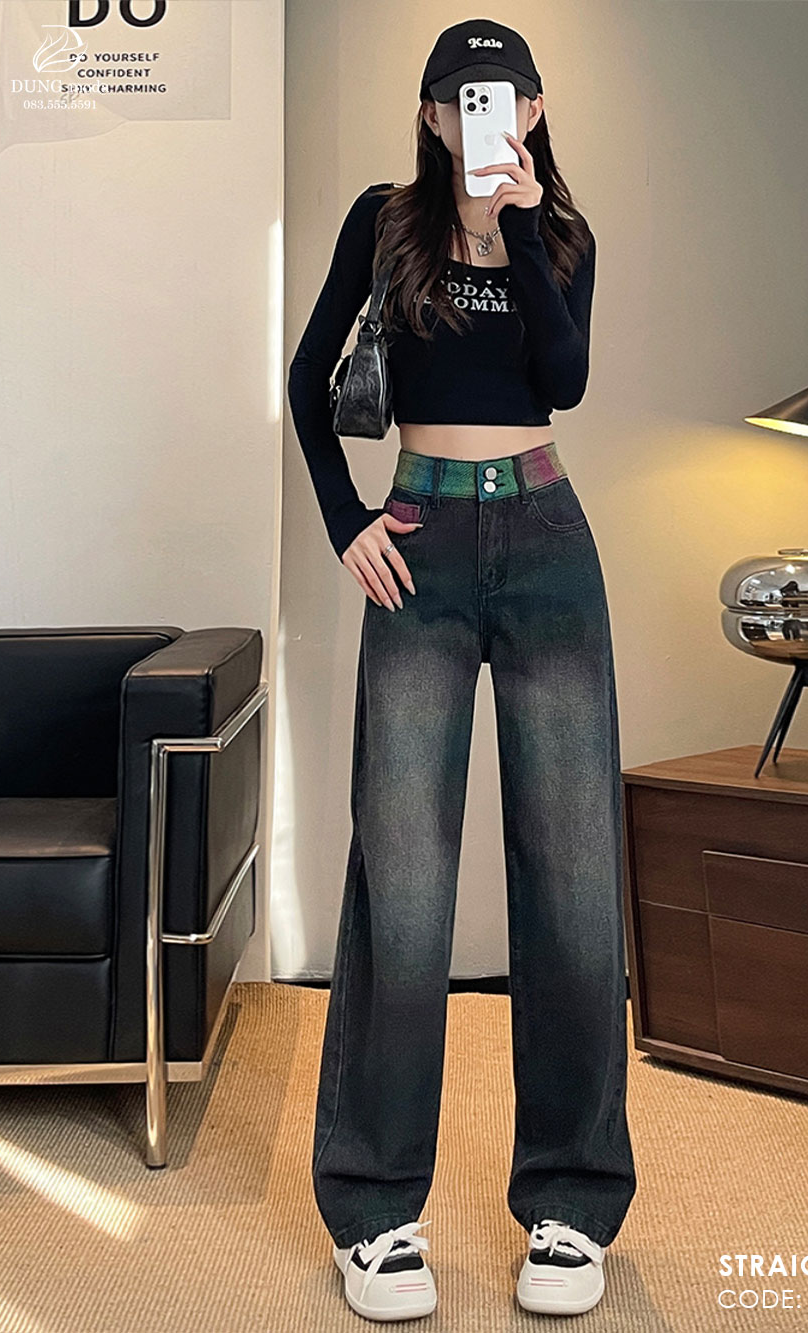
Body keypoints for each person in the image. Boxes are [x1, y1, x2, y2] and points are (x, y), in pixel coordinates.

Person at [287, 17, 637, 1323]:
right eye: (459, 97)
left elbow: (565, 380)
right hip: (421, 539)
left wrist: (522, 229)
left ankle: (571, 1199)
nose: (481, 114)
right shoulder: (383, 223)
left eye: (504, 96)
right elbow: (307, 379)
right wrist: (347, 522)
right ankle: (375, 1210)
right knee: (404, 877)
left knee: (573, 873)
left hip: (546, 539)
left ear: (532, 112)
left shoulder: (565, 236)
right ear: (433, 115)